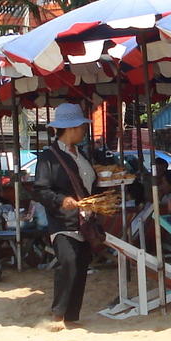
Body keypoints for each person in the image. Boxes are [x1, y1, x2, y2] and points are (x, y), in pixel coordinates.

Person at [31, 103, 112, 328]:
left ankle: (72, 315)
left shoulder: (81, 153)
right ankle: (58, 314)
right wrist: (61, 200)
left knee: (82, 263)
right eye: (81, 127)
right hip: (63, 220)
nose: (84, 131)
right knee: (67, 262)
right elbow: (40, 189)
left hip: (85, 218)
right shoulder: (49, 157)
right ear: (71, 128)